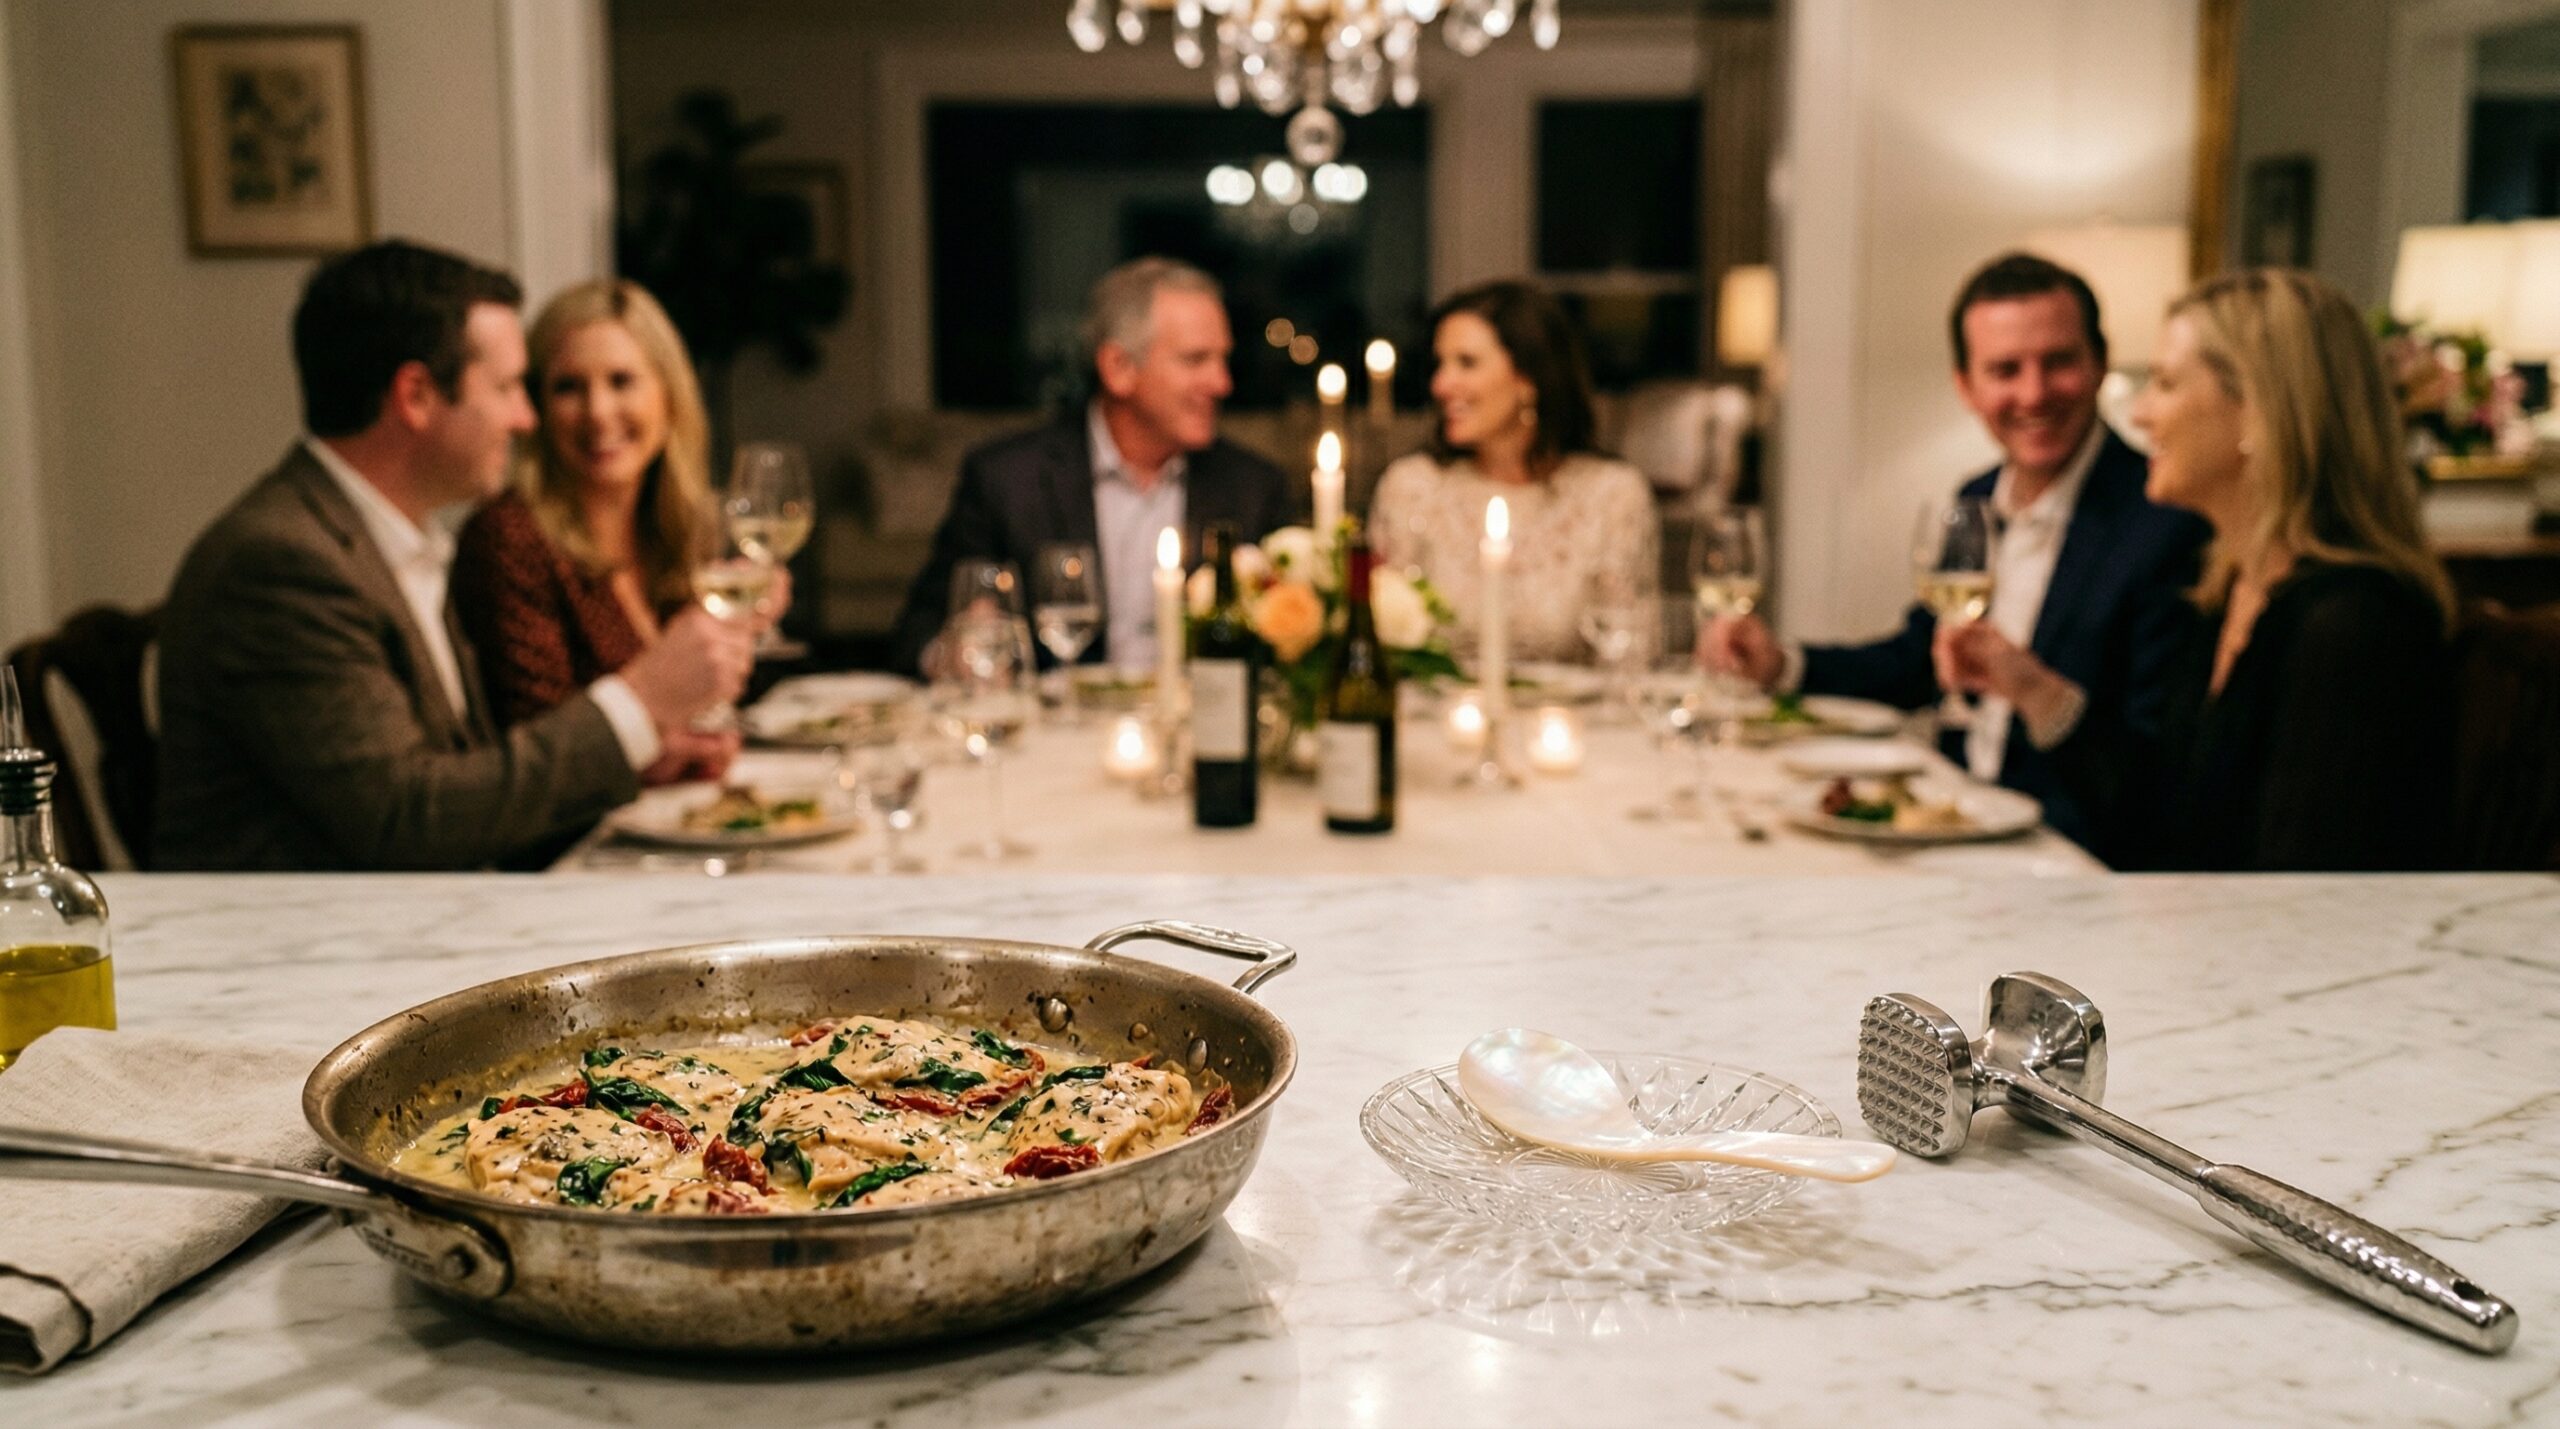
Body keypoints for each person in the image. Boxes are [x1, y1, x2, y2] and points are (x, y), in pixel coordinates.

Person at [154, 240, 754, 872]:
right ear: (415, 395)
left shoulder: (388, 540)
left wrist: (640, 756)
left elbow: (466, 782)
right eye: (505, 388)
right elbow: (405, 819)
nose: (527, 419)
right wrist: (638, 701)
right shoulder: (282, 563)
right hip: (314, 952)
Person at [1939, 269, 2455, 871]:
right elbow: (2160, 813)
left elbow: (2303, 901)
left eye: (2164, 383)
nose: (2140, 415)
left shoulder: (2351, 625)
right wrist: (2031, 688)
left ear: (2260, 410)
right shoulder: (2234, 586)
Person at [1701, 253, 2208, 847]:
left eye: (2059, 362)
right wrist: (1781, 664)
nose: (2034, 392)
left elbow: (2159, 776)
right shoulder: (1976, 499)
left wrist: (2036, 692)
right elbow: (1920, 660)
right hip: (1955, 827)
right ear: (1965, 386)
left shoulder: (2165, 522)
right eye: (2005, 370)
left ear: (2099, 363)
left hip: (2071, 855)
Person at [889, 256, 1291, 676]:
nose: (1221, 382)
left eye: (1223, 359)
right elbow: (917, 632)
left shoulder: (1254, 487)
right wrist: (956, 650)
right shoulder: (1008, 480)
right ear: (1118, 368)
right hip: (1058, 732)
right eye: (1195, 360)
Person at [450, 278, 774, 779]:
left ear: (670, 398)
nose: (598, 413)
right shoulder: (509, 539)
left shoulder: (685, 531)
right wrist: (667, 754)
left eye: (621, 381)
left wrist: (745, 629)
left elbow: (713, 708)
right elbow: (540, 766)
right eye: (568, 388)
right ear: (536, 408)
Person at [1367, 280, 1656, 663]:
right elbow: (1380, 648)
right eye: (1440, 364)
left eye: (1466, 363)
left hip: (1572, 720)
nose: (1441, 384)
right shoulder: (1412, 486)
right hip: (1432, 717)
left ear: (1528, 379)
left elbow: (1631, 658)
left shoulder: (1612, 495)